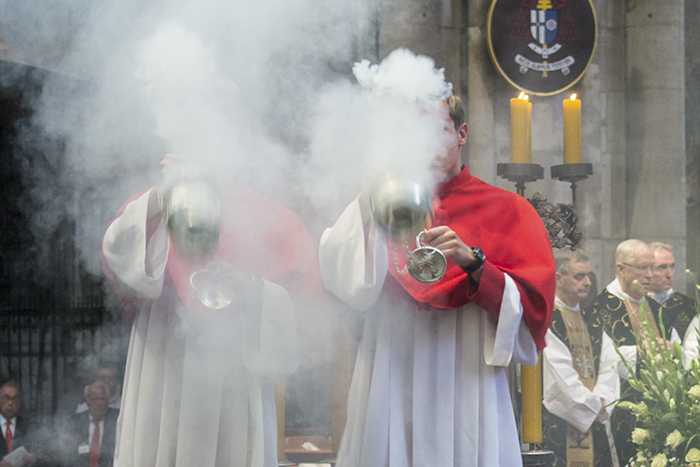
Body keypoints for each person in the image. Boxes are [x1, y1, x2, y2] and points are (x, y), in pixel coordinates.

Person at [318, 95, 556, 467]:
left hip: (467, 369)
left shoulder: (507, 209)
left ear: (462, 133)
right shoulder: (379, 204)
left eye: (438, 131)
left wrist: (474, 263)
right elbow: (340, 276)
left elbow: (532, 308)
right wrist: (370, 201)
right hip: (392, 363)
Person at [101, 155, 323, 467]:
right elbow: (117, 250)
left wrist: (253, 287)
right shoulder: (157, 203)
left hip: (235, 359)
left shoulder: (266, 216)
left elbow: (302, 307)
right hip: (166, 353)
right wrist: (162, 197)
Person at [585, 239, 680, 467]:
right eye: (642, 268)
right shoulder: (601, 309)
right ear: (621, 269)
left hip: (662, 412)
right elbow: (596, 363)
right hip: (622, 413)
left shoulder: (656, 308)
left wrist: (674, 352)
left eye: (652, 267)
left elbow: (680, 351)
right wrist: (638, 352)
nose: (649, 275)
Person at [541, 249, 620, 467]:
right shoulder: (547, 321)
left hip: (595, 418)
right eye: (579, 276)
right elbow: (557, 375)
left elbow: (611, 364)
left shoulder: (593, 320)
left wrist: (603, 400)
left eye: (589, 276)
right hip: (560, 424)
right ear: (558, 278)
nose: (588, 282)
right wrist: (593, 405)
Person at [646, 242, 696, 344]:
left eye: (672, 267)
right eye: (662, 267)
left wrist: (676, 350)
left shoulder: (691, 307)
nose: (669, 274)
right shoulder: (632, 303)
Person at [62, 382, 119, 467]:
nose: (99, 403)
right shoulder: (75, 421)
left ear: (108, 400)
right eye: (94, 399)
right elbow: (68, 454)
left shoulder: (118, 419)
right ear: (87, 402)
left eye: (102, 399)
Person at [0, 382, 39, 467]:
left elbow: (46, 458)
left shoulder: (30, 427)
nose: (10, 403)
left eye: (14, 399)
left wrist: (34, 460)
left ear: (19, 402)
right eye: (6, 398)